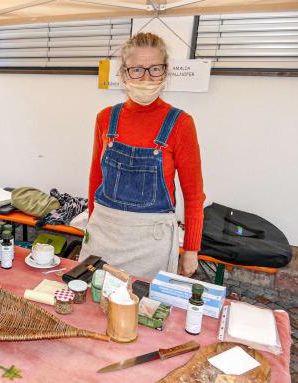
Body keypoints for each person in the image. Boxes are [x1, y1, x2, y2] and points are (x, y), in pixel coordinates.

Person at [79, 33, 205, 279]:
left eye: (155, 69)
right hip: (103, 234)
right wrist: (91, 225)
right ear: (124, 74)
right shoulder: (105, 118)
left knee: (142, 310)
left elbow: (194, 194)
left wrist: (191, 250)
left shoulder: (180, 123)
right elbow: (96, 179)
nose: (147, 77)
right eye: (137, 69)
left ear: (165, 72)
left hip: (151, 242)